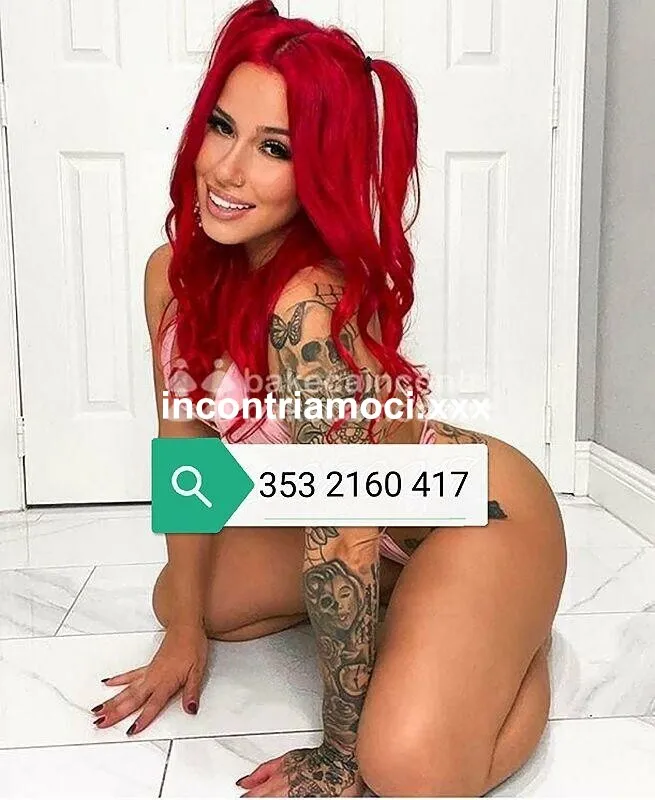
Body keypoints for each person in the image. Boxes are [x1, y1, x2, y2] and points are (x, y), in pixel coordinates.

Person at [91, 1, 567, 796]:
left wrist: (340, 753)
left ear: (318, 174)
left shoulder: (307, 309)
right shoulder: (168, 274)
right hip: (354, 512)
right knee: (184, 598)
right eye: (221, 127)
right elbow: (187, 451)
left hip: (477, 514)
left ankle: (522, 641)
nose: (226, 169)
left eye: (272, 148)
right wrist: (183, 633)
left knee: (402, 770)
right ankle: (419, 606)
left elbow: (339, 536)